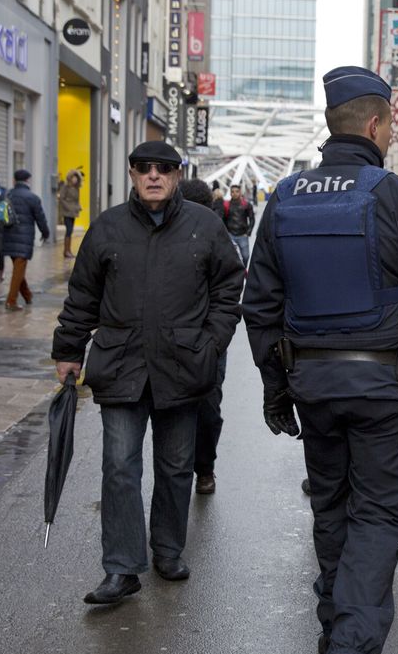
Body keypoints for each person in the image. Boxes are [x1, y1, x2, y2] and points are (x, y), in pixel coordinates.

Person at [242, 66, 398, 654]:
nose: (393, 133)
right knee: (378, 514)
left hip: (314, 387)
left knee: (332, 506)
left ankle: (334, 633)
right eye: (392, 123)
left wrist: (275, 385)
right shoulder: (397, 197)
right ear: (376, 126)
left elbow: (258, 304)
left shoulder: (284, 197)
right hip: (382, 387)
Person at [52, 142, 243, 605]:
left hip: (182, 367)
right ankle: (121, 568)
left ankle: (168, 550)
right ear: (133, 174)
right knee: (119, 466)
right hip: (122, 365)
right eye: (144, 169)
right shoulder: (108, 228)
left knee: (176, 468)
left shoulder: (205, 226)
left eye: (164, 169)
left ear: (178, 175)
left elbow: (229, 286)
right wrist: (68, 349)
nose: (153, 176)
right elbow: (83, 296)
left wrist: (212, 342)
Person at [178, 177, 229, 495]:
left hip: (206, 339)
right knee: (204, 408)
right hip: (183, 338)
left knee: (205, 407)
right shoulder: (165, 235)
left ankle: (202, 467)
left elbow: (228, 289)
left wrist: (215, 335)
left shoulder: (217, 237)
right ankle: (199, 468)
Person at [1, 168, 51, 311]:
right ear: (28, 180)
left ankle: (27, 295)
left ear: (14, 180)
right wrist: (45, 233)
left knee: (18, 269)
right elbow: (40, 218)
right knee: (19, 269)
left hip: (9, 236)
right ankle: (11, 301)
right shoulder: (33, 198)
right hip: (24, 238)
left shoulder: (8, 194)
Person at [222, 182, 255, 265]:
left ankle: (243, 269)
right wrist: (226, 233)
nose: (234, 193)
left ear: (240, 192)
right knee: (230, 257)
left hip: (243, 235)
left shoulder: (246, 205)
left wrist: (248, 233)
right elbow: (223, 219)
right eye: (232, 191)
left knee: (246, 256)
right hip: (230, 235)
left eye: (237, 191)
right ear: (230, 193)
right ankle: (237, 272)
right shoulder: (226, 205)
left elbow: (252, 219)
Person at [57, 168, 83, 259]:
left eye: (76, 178)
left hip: (73, 212)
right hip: (67, 212)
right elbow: (61, 198)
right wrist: (67, 207)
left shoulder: (77, 188)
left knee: (70, 230)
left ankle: (69, 250)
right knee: (68, 230)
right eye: (73, 177)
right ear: (70, 178)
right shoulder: (65, 187)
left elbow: (76, 200)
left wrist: (78, 207)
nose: (75, 179)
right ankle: (66, 251)